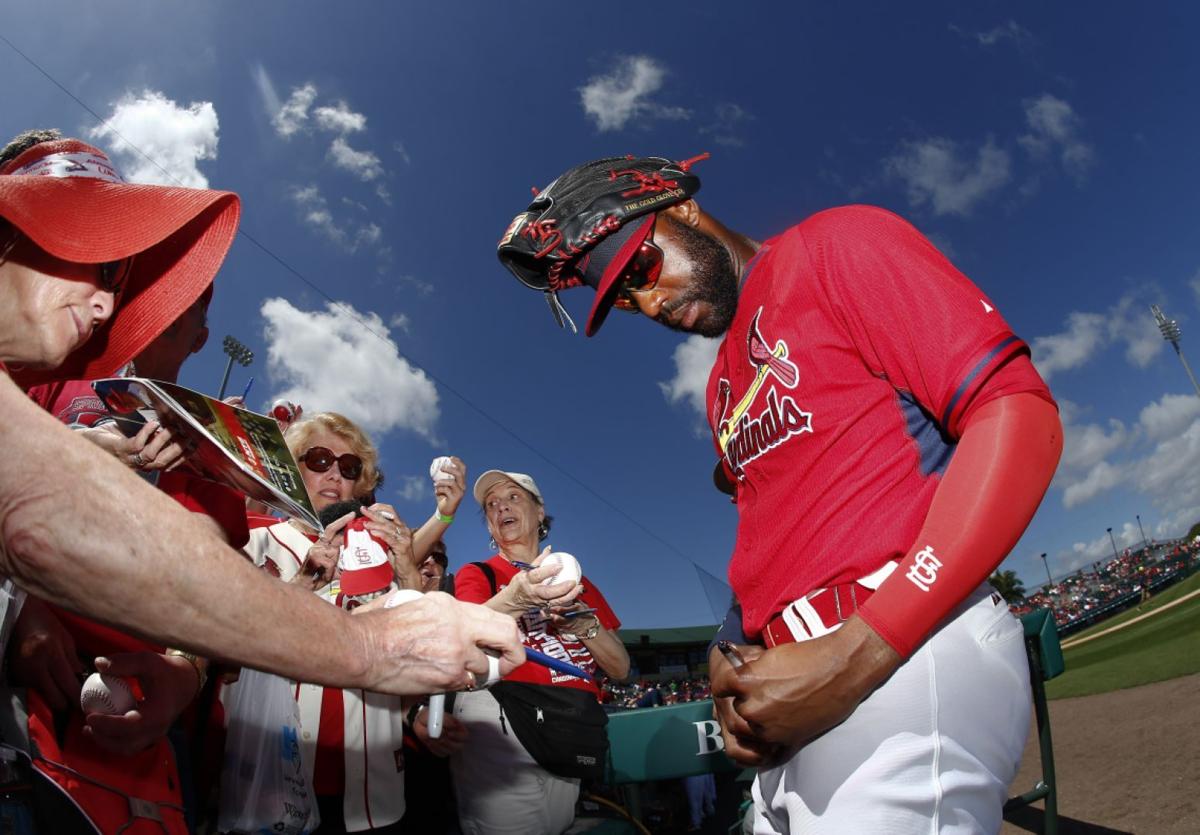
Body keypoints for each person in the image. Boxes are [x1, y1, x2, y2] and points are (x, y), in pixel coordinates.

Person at [496, 155, 1062, 833]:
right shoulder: (718, 391)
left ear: (678, 207)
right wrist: (727, 647)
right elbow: (775, 528)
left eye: (642, 270)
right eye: (624, 299)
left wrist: (864, 649)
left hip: (901, 648)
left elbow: (1017, 413)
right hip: (792, 686)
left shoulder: (836, 244)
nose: (649, 303)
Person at [0, 131, 524, 708]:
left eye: (114, 280)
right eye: (83, 253)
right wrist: (369, 647)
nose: (106, 306)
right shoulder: (51, 396)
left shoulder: (200, 443)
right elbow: (35, 516)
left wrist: (186, 672)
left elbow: (194, 558)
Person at [242, 415, 466, 832]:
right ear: (291, 468)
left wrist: (410, 714)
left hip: (374, 792)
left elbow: (398, 659)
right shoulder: (258, 542)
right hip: (274, 781)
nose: (334, 474)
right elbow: (225, 647)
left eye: (348, 468)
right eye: (320, 459)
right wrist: (300, 587)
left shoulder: (376, 559)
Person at [448, 469, 631, 835]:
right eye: (491, 505)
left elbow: (622, 668)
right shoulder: (479, 573)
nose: (501, 508)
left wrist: (584, 627)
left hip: (570, 726)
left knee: (556, 826)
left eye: (513, 498)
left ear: (539, 510)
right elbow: (463, 634)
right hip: (503, 720)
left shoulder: (578, 581)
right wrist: (518, 598)